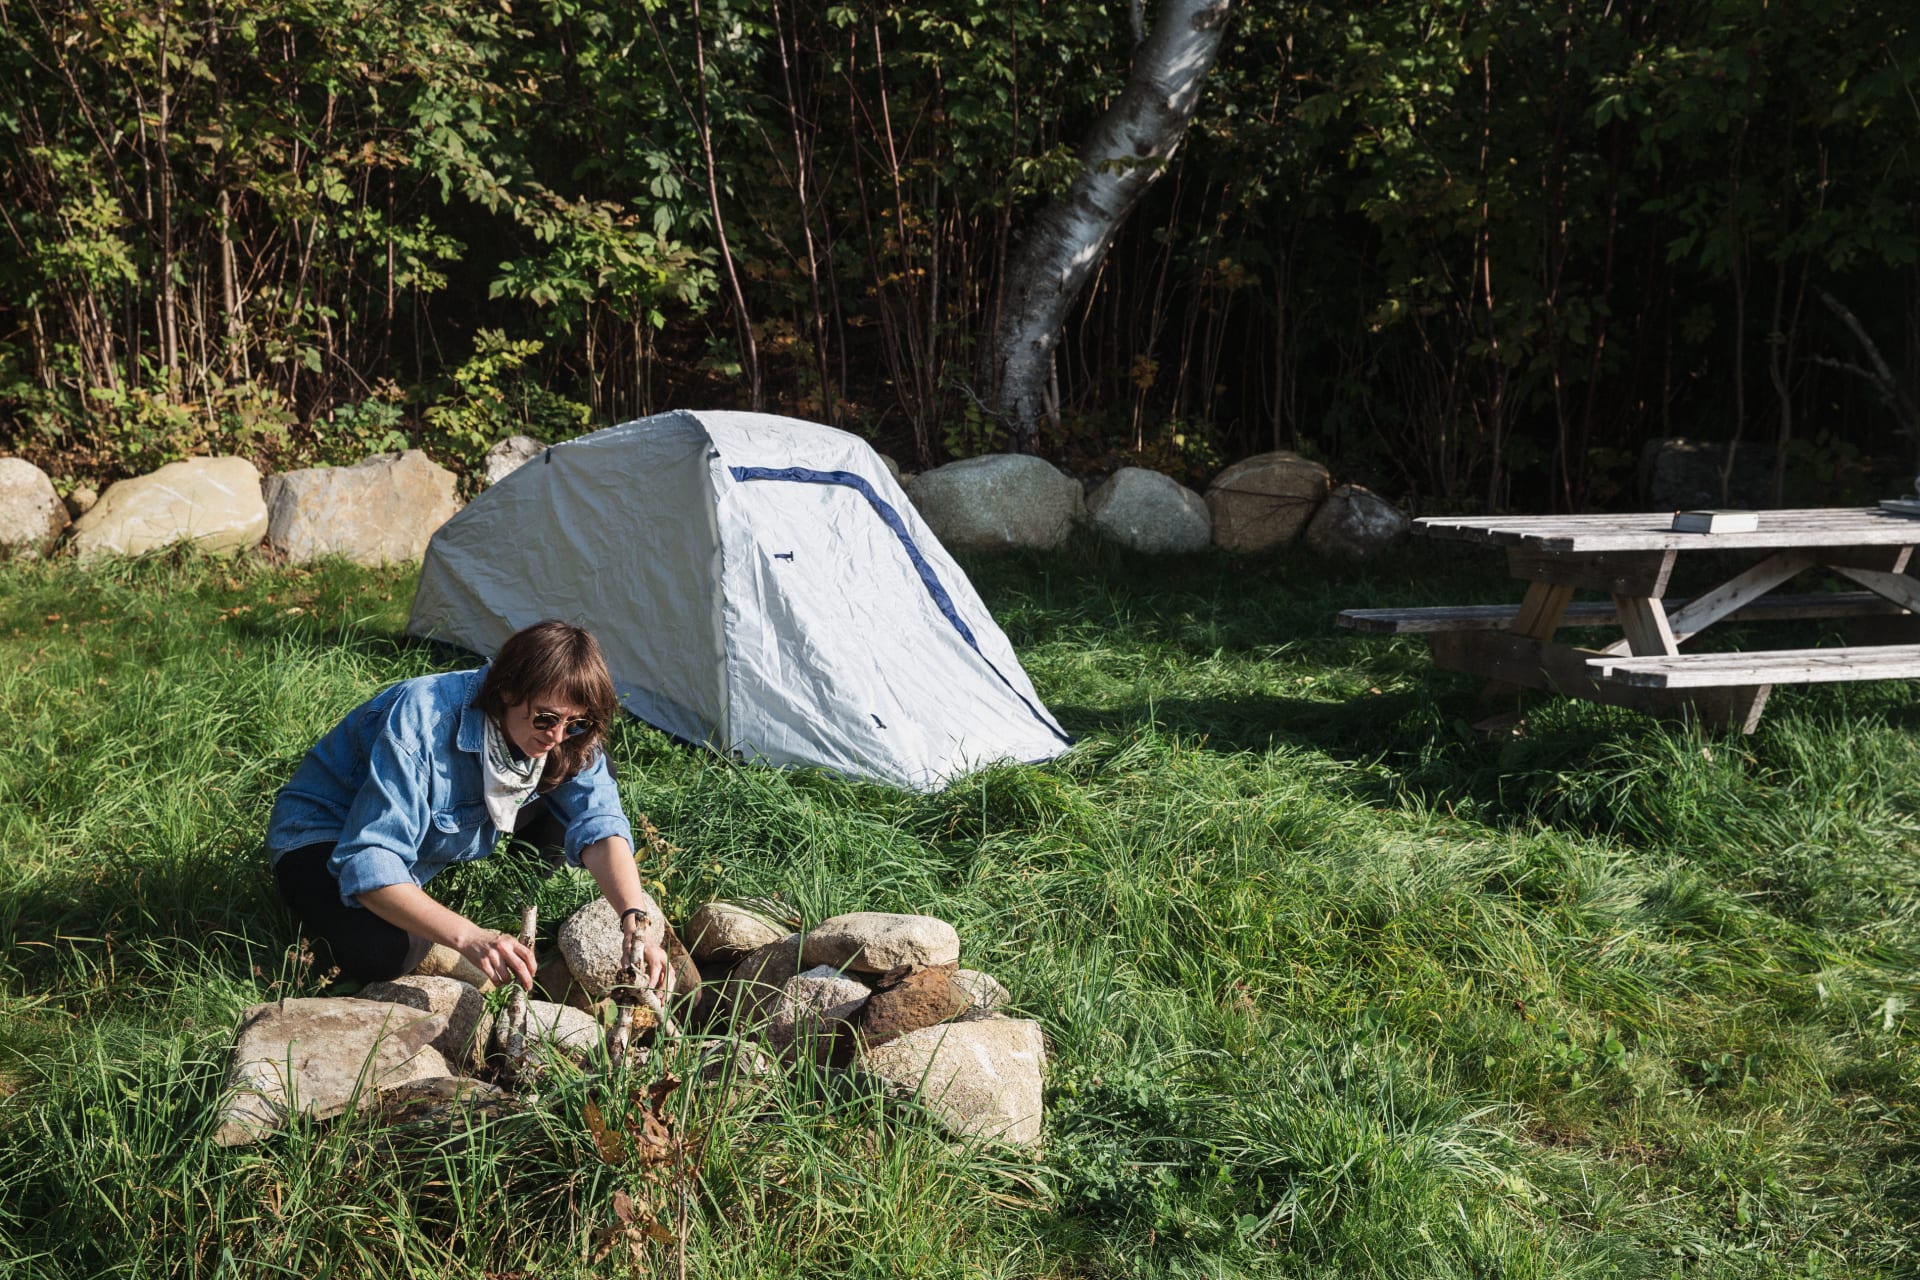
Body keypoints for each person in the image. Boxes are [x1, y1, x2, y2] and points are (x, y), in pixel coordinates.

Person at [268, 620, 668, 993]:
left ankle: (512, 902)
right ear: (508, 691)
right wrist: (471, 937)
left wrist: (636, 923)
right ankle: (440, 939)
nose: (558, 736)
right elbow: (368, 859)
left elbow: (599, 821)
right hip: (325, 835)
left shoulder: (564, 735)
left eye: (575, 723)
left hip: (418, 839)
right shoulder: (422, 720)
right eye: (546, 719)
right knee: (386, 949)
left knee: (586, 768)